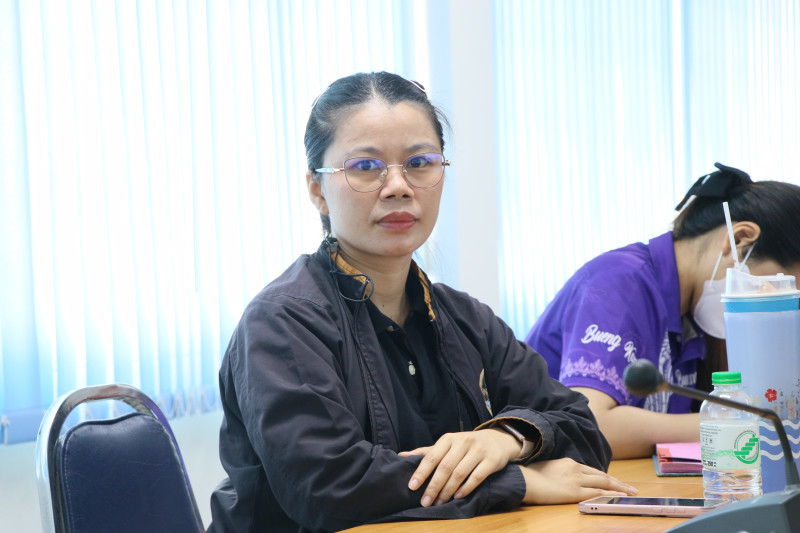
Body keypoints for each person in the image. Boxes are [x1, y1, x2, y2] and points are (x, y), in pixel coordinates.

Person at [207, 71, 636, 533]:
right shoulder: (282, 322)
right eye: (365, 166)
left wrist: (507, 438)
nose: (398, 186)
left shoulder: (466, 318)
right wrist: (517, 481)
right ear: (317, 189)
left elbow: (583, 430)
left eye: (419, 162)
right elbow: (330, 488)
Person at [525, 163, 800, 459]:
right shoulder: (618, 282)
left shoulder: (693, 314)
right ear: (741, 240)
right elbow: (589, 426)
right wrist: (745, 423)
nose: (775, 301)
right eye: (777, 285)